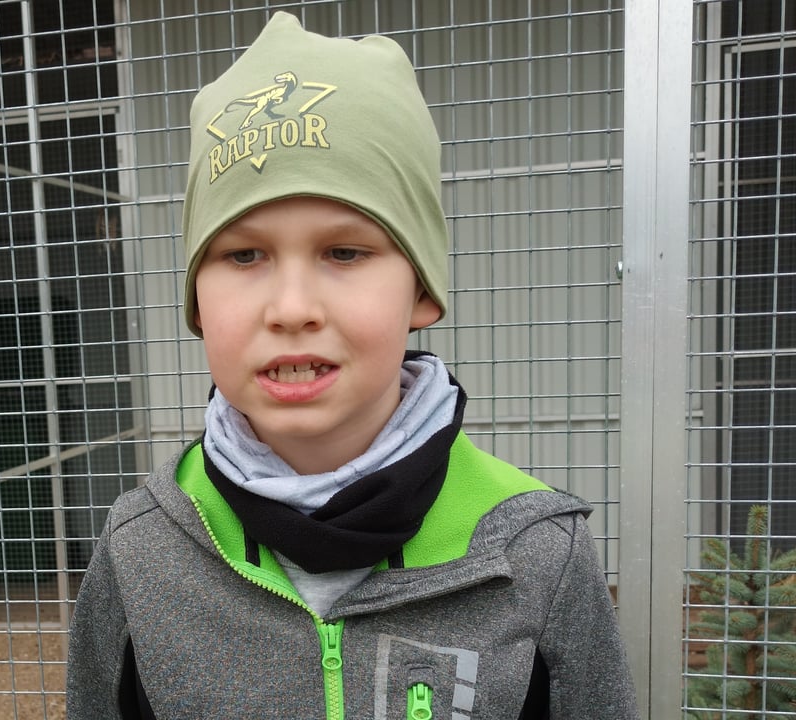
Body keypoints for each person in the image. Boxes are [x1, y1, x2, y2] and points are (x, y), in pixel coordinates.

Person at [66, 11, 639, 720]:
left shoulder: (537, 549)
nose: (292, 307)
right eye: (243, 254)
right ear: (197, 302)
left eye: (344, 252)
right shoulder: (139, 550)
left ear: (421, 288)